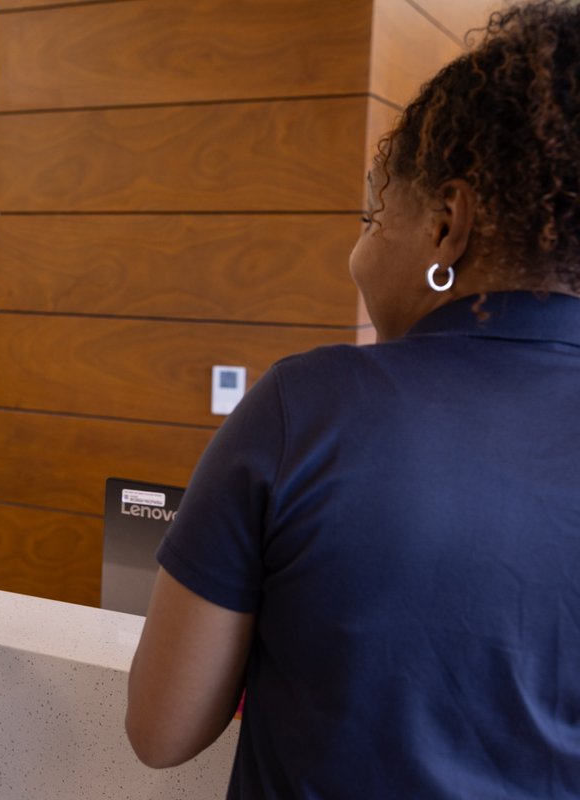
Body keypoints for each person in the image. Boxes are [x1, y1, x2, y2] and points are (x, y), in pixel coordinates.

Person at [125, 2, 580, 797]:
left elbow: (162, 729)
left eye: (375, 215)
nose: (357, 254)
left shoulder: (306, 409)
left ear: (449, 224)